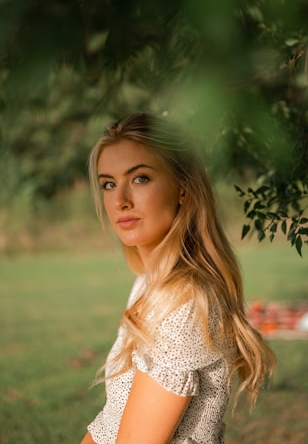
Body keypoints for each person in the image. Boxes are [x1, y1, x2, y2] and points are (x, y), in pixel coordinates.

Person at [81, 112, 276, 444]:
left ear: (183, 189)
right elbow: (111, 422)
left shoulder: (185, 302)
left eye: (140, 178)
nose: (120, 200)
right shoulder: (149, 285)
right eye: (108, 184)